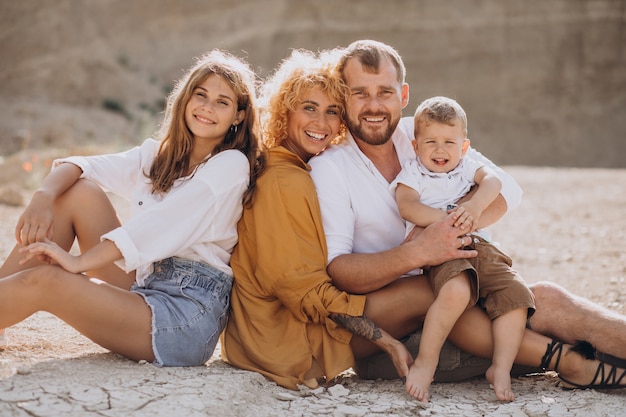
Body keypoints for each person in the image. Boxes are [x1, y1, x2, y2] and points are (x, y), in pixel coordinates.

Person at [309, 39, 626, 400]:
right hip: (400, 327)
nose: (374, 105)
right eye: (360, 93)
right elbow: (340, 269)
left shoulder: (426, 130)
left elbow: (503, 191)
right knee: (454, 296)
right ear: (343, 96)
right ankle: (572, 363)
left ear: (404, 94)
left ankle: (594, 361)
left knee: (547, 299)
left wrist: (456, 224)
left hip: (463, 285)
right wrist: (420, 252)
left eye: (385, 91)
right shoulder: (330, 167)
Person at [0, 49, 261, 366]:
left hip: (183, 314)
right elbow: (84, 166)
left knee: (46, 280)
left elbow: (158, 227)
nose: (207, 108)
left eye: (223, 102)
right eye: (201, 94)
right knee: (78, 191)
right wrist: (42, 196)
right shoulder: (159, 155)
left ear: (239, 116)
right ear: (185, 99)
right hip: (145, 284)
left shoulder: (231, 165)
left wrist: (78, 262)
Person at [221, 48, 413, 390]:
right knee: (425, 291)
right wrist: (386, 340)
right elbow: (302, 289)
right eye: (309, 108)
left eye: (332, 112)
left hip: (281, 331)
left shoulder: (292, 166)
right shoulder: (284, 180)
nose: (321, 124)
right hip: (285, 345)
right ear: (285, 110)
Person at [394, 96, 534, 401]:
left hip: (480, 246)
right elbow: (407, 207)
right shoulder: (414, 173)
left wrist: (474, 206)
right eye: (430, 141)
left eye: (449, 142)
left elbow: (494, 181)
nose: (440, 150)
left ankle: (501, 366)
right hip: (442, 251)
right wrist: (447, 221)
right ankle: (426, 363)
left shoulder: (467, 166)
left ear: (464, 146)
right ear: (416, 146)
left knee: (517, 295)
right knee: (456, 292)